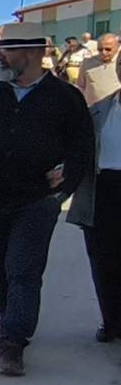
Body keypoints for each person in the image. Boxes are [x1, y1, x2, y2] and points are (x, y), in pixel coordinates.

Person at [0, 27, 93, 376]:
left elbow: (82, 147)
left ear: (35, 53)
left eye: (9, 50)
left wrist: (64, 183)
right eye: (2, 50)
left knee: (23, 269)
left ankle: (14, 341)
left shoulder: (65, 96)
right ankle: (9, 316)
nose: (2, 56)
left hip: (36, 199)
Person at [67, 85, 121, 342]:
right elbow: (78, 150)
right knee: (104, 260)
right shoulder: (99, 110)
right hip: (104, 190)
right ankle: (112, 321)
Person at [78, 33, 120, 106]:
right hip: (93, 110)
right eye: (100, 49)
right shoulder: (87, 63)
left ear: (117, 47)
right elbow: (81, 86)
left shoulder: (119, 63)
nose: (103, 52)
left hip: (115, 110)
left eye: (108, 49)